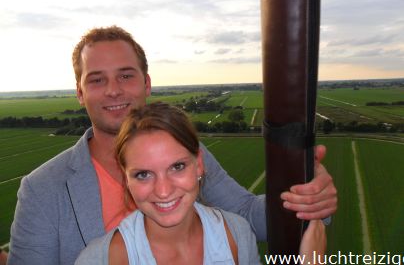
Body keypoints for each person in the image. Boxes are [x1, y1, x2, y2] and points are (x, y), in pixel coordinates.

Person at [7, 26, 336, 265]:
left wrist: (306, 196)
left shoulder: (189, 154)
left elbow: (248, 215)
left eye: (126, 75)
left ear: (147, 83)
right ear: (79, 93)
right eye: (96, 79)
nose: (113, 91)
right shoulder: (42, 189)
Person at [75, 102, 325, 265]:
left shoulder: (236, 234)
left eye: (177, 166)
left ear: (200, 164)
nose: (163, 191)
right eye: (143, 174)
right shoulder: (99, 259)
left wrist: (310, 199)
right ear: (125, 178)